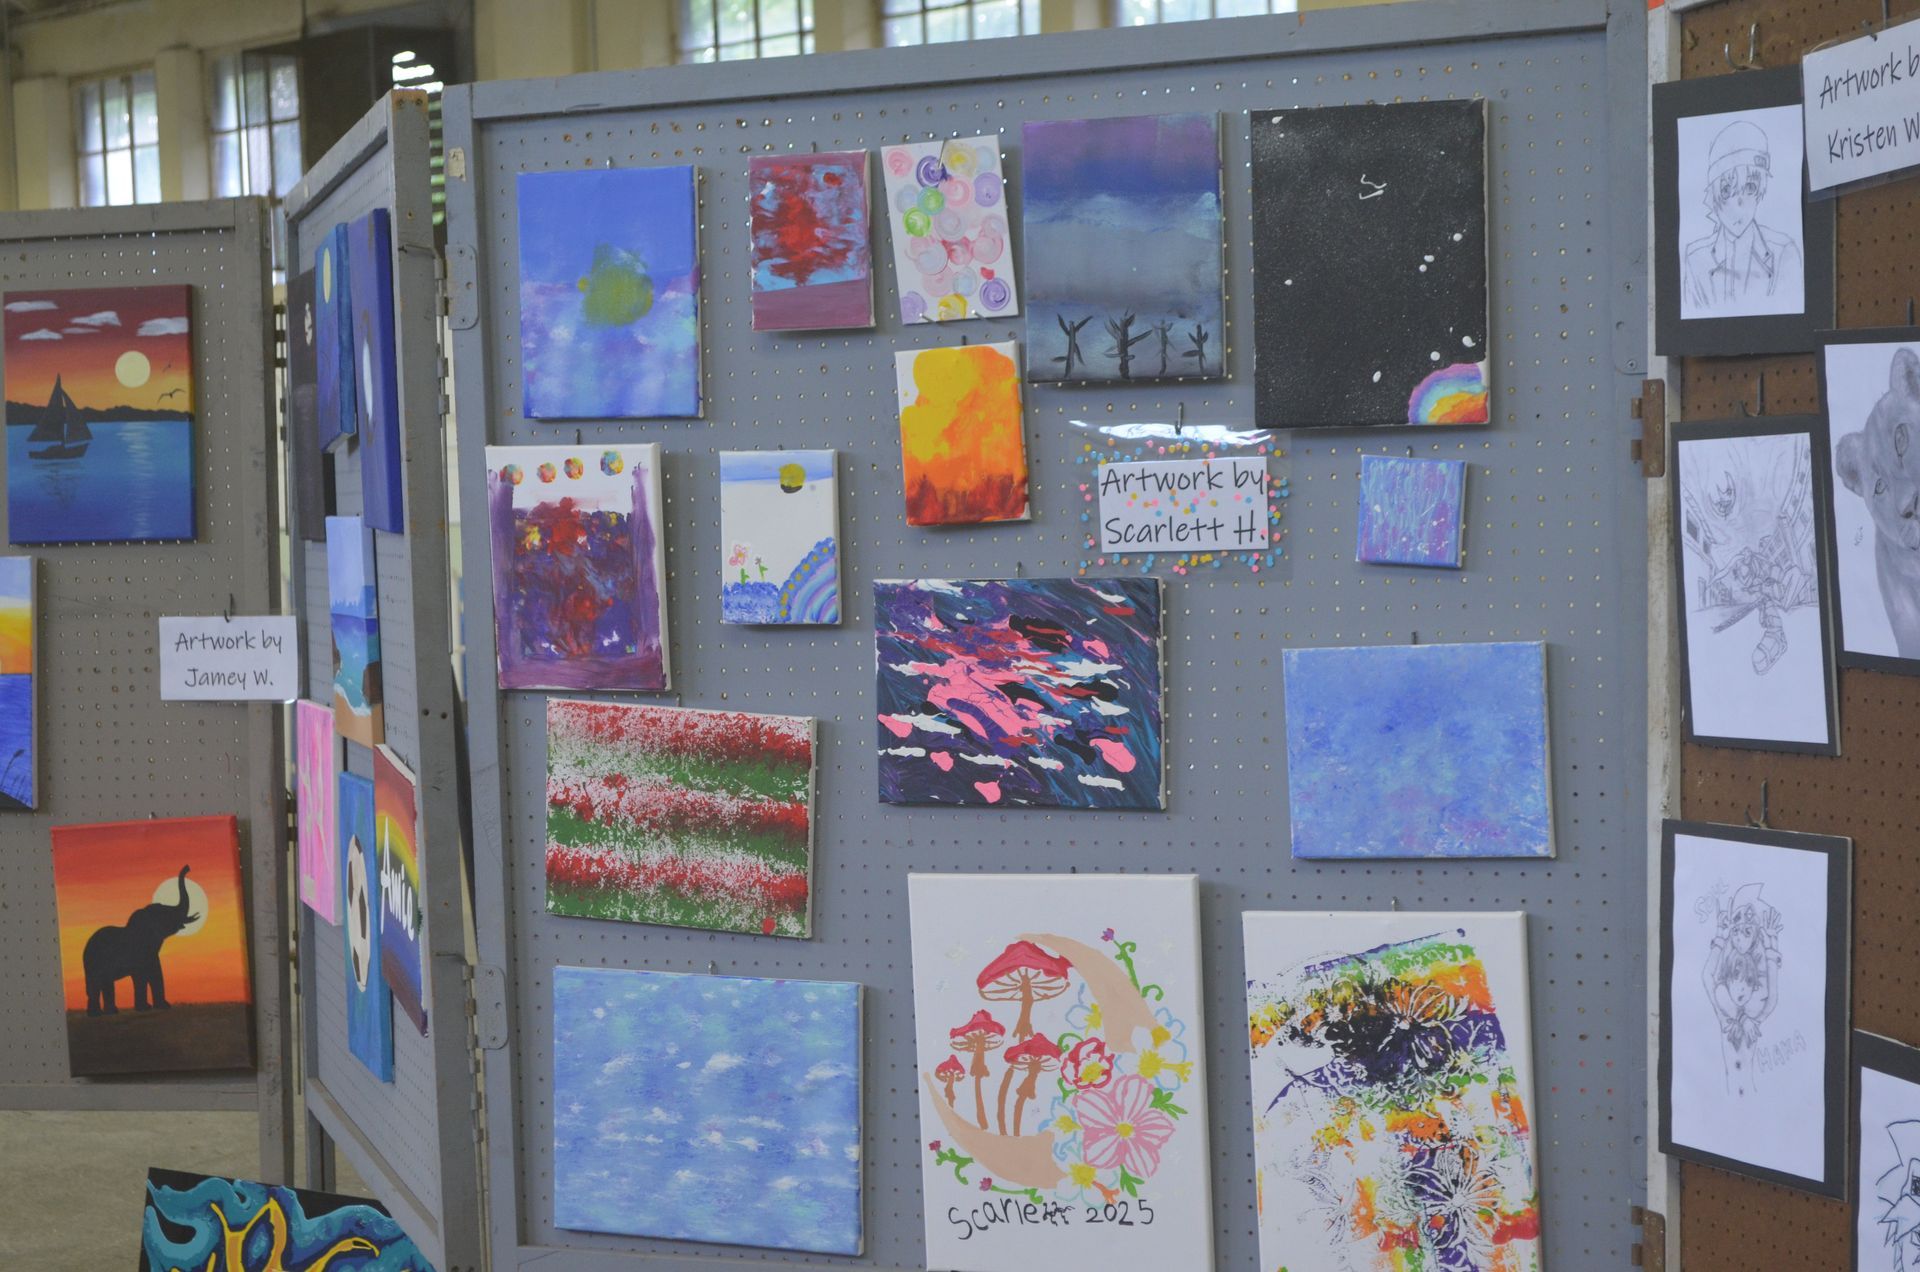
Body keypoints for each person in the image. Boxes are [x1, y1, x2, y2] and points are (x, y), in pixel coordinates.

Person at [1681, 119, 1803, 314]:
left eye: (1750, 187)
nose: (1738, 202)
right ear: (1712, 194)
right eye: (1727, 189)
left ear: (1761, 190)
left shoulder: (1783, 253)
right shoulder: (1695, 259)